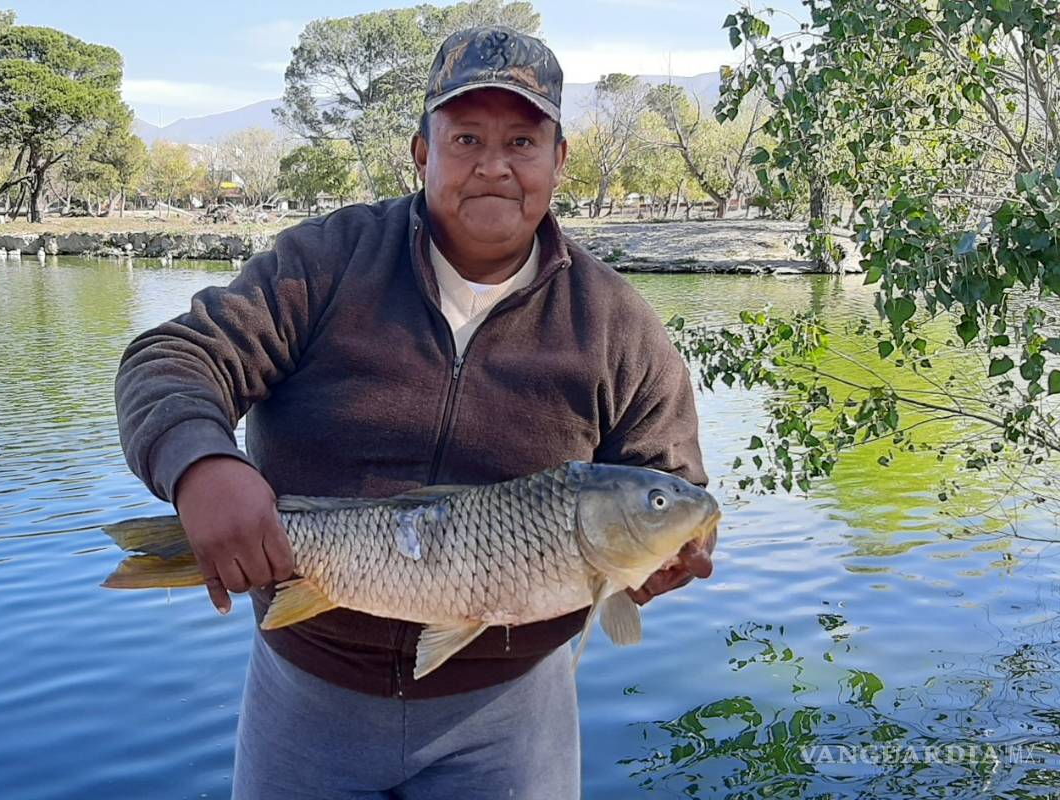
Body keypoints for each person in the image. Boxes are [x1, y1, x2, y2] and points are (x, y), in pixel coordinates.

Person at [115, 25, 712, 800]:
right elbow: (172, 359)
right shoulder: (325, 262)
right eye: (465, 137)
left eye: (523, 141)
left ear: (559, 160)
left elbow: (669, 479)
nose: (494, 166)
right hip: (308, 694)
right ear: (422, 152)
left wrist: (676, 552)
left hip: (514, 713)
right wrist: (202, 465)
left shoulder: (614, 321)